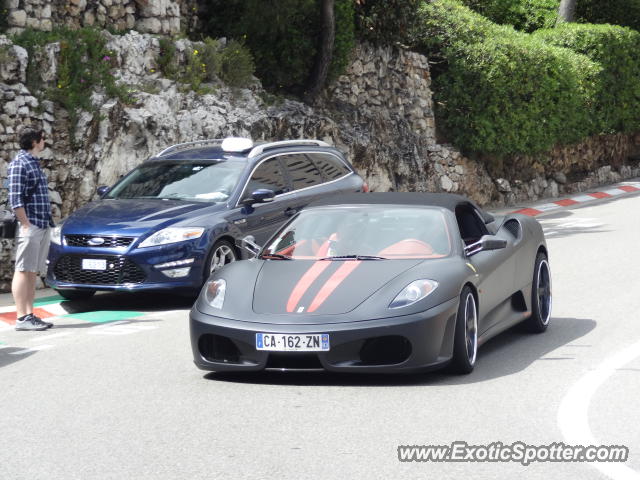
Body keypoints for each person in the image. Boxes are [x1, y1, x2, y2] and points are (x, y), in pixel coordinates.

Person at [8, 128, 55, 331]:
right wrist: (26, 224)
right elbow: (16, 199)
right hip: (31, 225)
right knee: (23, 269)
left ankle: (29, 315)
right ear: (36, 141)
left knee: (32, 271)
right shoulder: (20, 164)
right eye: (42, 139)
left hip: (41, 223)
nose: (44, 142)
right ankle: (21, 317)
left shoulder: (33, 163)